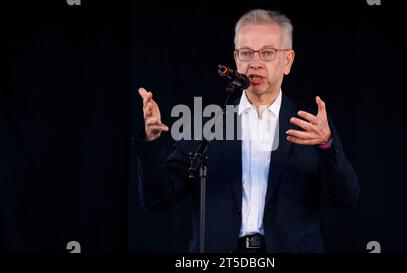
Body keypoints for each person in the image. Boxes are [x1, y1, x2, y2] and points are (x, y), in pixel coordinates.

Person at [134, 9, 359, 253]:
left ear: (288, 61)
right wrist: (152, 138)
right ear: (236, 59)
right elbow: (157, 198)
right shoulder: (208, 124)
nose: (255, 63)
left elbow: (345, 199)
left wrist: (327, 145)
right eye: (246, 53)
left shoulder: (310, 125)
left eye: (267, 53)